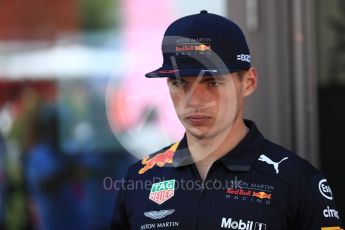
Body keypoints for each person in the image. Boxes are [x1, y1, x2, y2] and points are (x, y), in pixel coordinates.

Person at [110, 10, 343, 229]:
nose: (194, 101)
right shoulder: (141, 177)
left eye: (212, 83)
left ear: (249, 82)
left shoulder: (298, 182)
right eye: (180, 83)